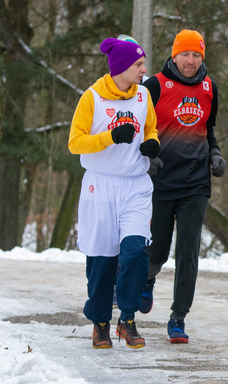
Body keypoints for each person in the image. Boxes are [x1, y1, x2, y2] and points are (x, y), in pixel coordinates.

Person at [68, 35, 160, 349]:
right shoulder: (92, 97)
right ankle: (101, 322)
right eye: (138, 64)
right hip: (100, 186)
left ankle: (128, 318)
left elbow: (151, 128)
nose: (143, 69)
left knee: (135, 253)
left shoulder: (143, 96)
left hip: (135, 184)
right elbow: (75, 143)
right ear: (120, 67)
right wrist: (108, 137)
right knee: (102, 259)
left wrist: (153, 143)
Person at [140, 29, 226, 344]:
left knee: (188, 252)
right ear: (174, 55)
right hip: (160, 182)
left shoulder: (210, 89)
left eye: (196, 55)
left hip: (195, 184)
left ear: (202, 57)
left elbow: (209, 130)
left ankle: (178, 317)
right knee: (158, 252)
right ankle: (147, 279)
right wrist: (145, 160)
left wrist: (215, 154)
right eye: (185, 54)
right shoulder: (154, 86)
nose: (190, 61)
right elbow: (140, 130)